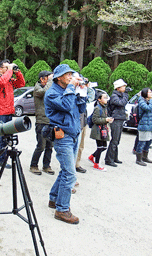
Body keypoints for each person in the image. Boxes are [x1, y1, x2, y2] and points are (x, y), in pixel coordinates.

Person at [45, 64, 87, 225]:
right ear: (58, 78)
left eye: (71, 74)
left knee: (65, 171)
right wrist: (71, 88)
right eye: (67, 74)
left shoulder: (68, 90)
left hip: (73, 134)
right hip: (62, 137)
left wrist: (82, 93)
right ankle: (62, 210)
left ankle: (54, 199)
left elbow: (80, 108)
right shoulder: (52, 93)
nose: (71, 76)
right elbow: (66, 105)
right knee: (70, 174)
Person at [0, 59, 25, 172]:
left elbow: (21, 83)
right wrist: (10, 70)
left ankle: (2, 160)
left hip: (8, 112)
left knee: (6, 139)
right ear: (0, 69)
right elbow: (2, 82)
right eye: (5, 67)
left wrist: (17, 72)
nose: (8, 69)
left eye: (9, 67)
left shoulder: (10, 80)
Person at [30, 70, 55, 175]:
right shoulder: (37, 88)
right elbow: (45, 92)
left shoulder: (50, 87)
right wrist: (51, 80)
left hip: (51, 121)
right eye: (48, 78)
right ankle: (33, 165)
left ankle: (46, 165)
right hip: (41, 121)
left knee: (50, 146)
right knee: (41, 145)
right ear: (42, 79)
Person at [105, 79, 129, 167]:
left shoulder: (120, 95)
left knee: (117, 140)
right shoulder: (114, 96)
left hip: (120, 118)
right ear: (118, 88)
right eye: (123, 86)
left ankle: (114, 157)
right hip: (115, 119)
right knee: (114, 140)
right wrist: (126, 95)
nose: (125, 88)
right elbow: (121, 103)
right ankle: (109, 159)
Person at [88, 92, 113, 171]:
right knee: (100, 147)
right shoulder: (98, 108)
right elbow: (95, 120)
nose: (106, 99)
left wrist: (108, 120)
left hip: (103, 129)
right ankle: (96, 164)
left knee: (104, 147)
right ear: (99, 99)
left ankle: (92, 157)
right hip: (97, 130)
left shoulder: (104, 107)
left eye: (106, 98)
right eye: (104, 98)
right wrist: (105, 120)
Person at [135, 88, 152, 166]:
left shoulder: (149, 101)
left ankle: (145, 157)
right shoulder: (141, 101)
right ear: (145, 93)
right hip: (144, 124)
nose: (151, 93)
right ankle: (138, 159)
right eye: (149, 92)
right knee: (142, 142)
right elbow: (148, 108)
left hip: (151, 124)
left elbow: (151, 113)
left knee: (149, 141)